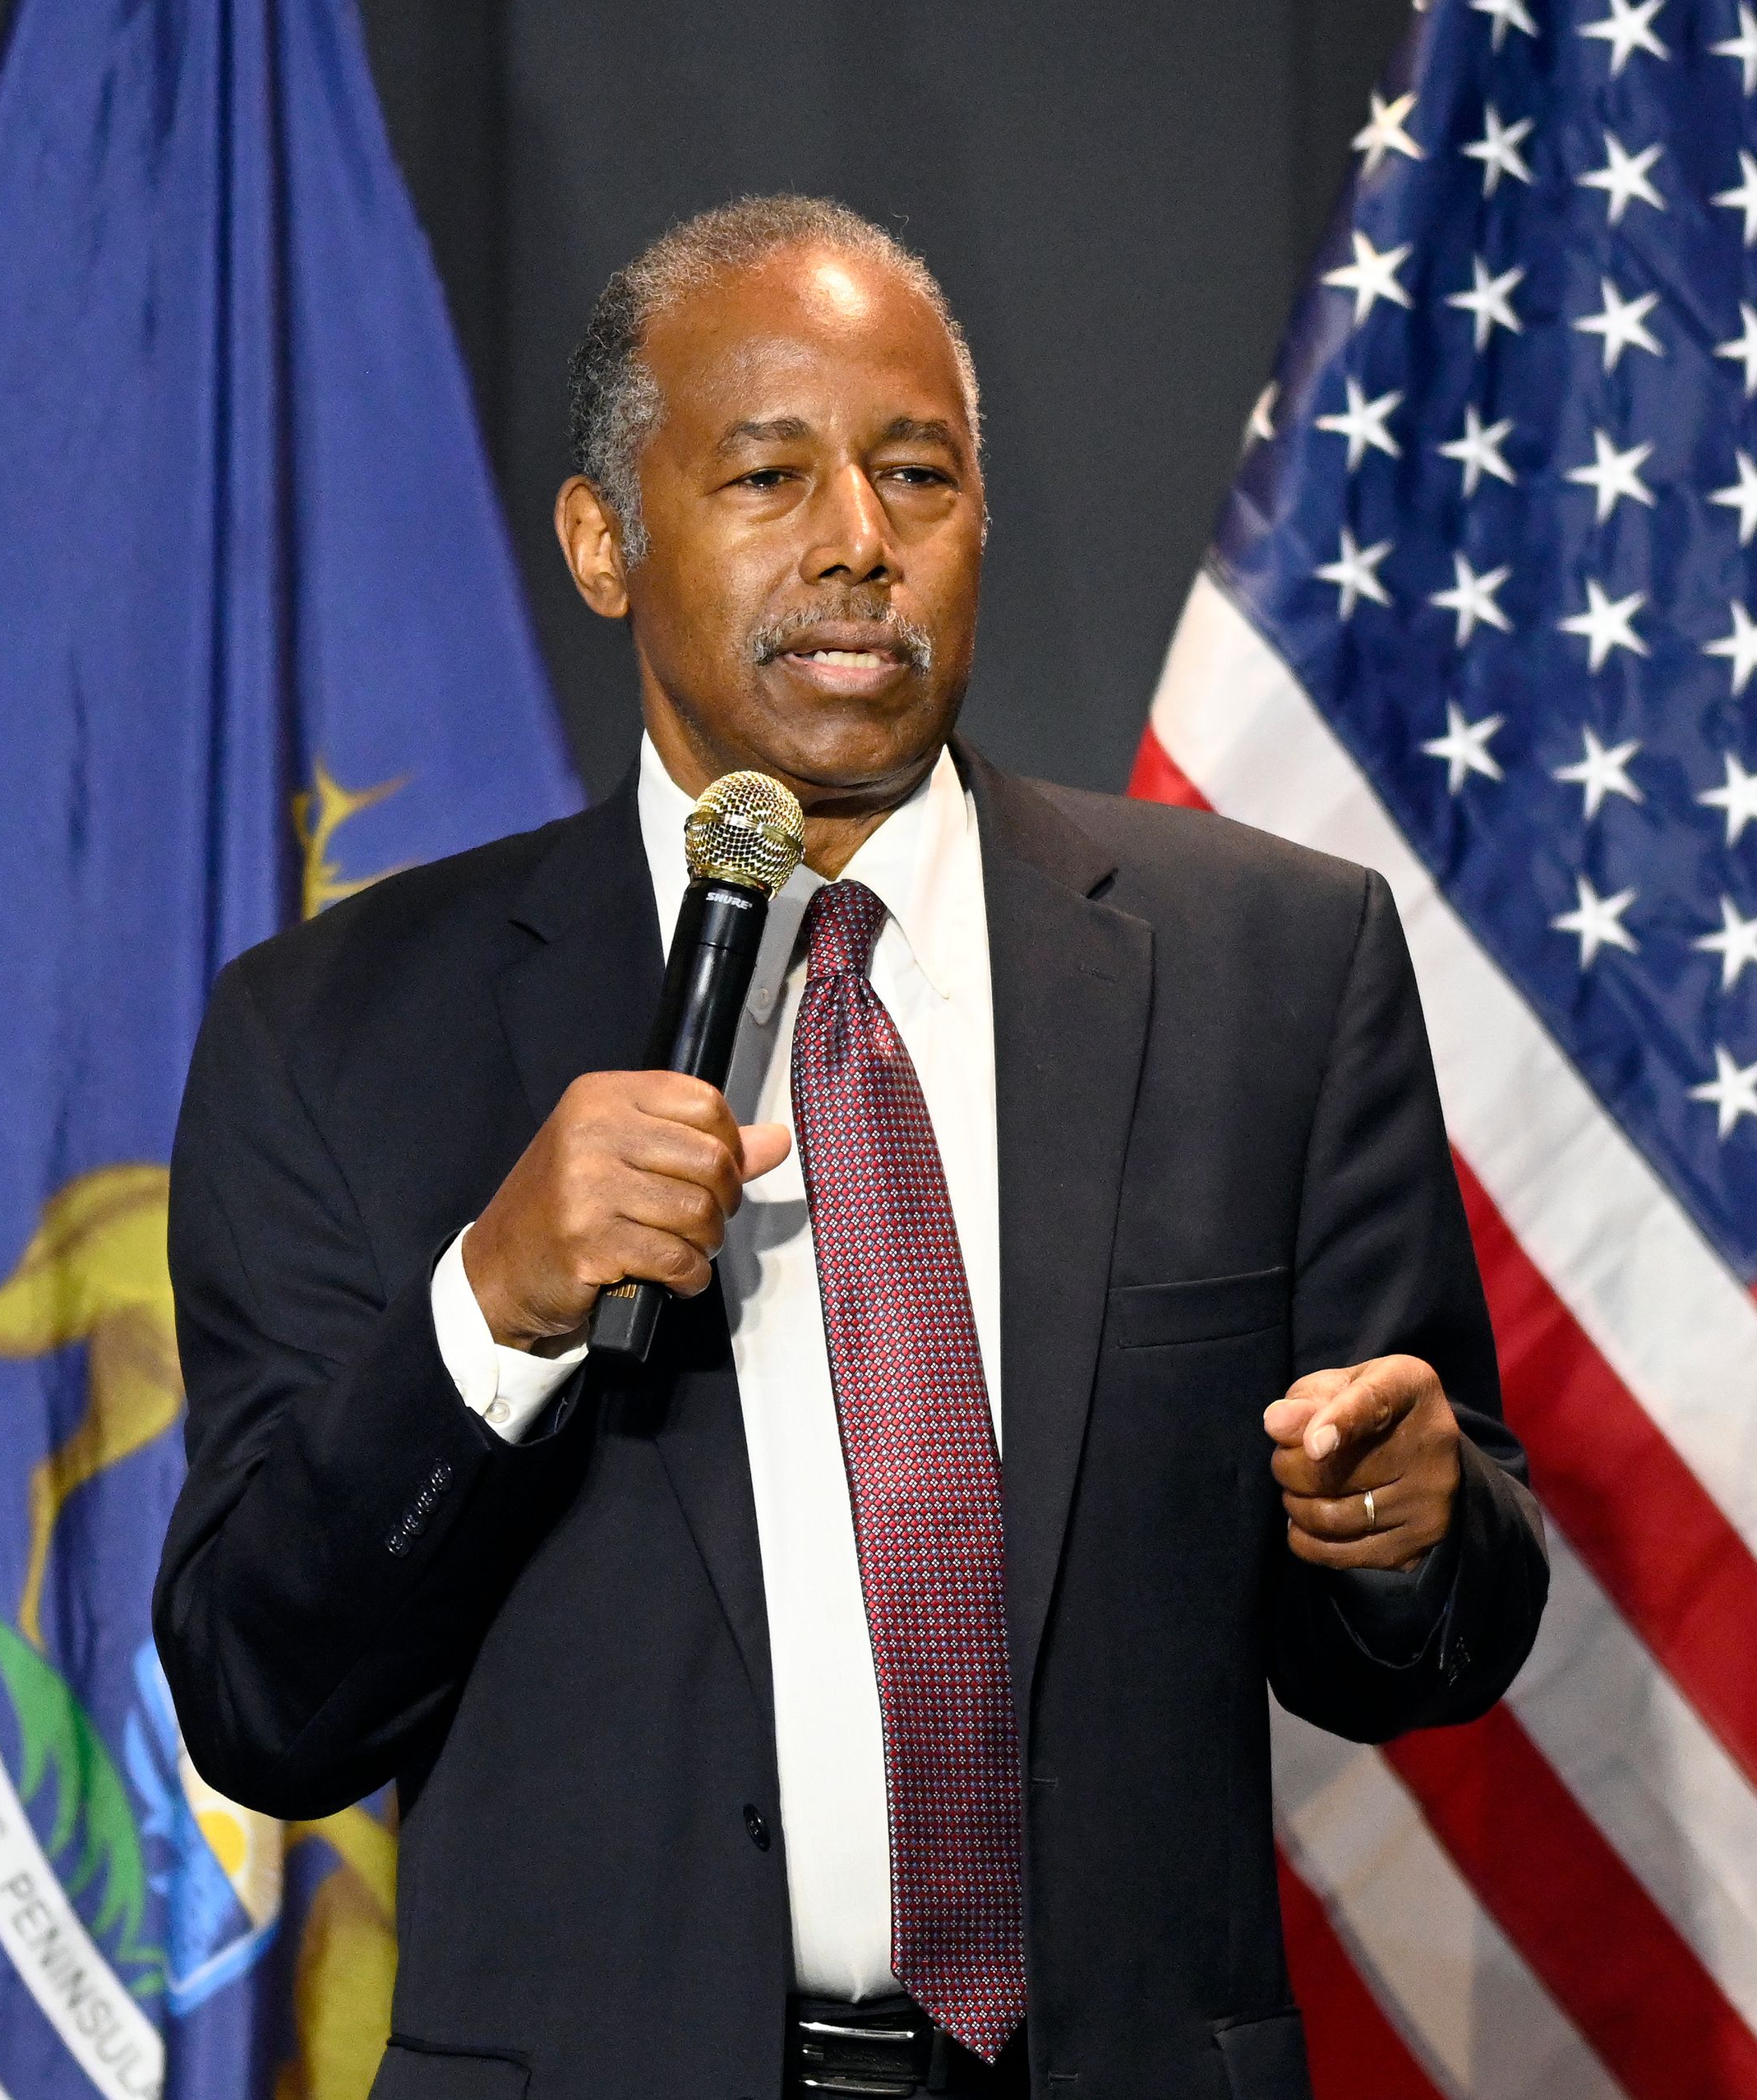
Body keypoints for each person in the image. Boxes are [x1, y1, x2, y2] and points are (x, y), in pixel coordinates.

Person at [154, 195, 1547, 2100]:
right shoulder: (334, 1035)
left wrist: (1409, 1531)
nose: (860, 545)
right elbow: (262, 1704)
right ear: (603, 540)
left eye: (919, 474)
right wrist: (489, 1315)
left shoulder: (1271, 973)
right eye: (769, 475)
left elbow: (1425, 1644)